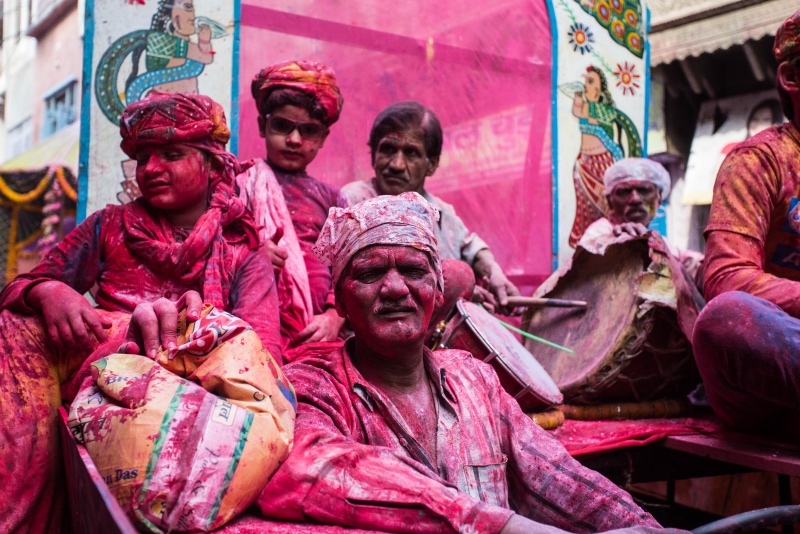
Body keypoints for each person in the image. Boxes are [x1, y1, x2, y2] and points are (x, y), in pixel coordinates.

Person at [256, 193, 664, 533]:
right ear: (341, 300)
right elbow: (306, 469)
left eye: (414, 270)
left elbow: (553, 475)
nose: (396, 288)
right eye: (371, 272)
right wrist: (498, 526)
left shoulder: (475, 379)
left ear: (436, 292)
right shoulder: (310, 386)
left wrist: (643, 525)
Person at [0, 92, 280, 532]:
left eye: (171, 154)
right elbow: (19, 289)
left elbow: (265, 358)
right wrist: (50, 291)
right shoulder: (108, 225)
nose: (150, 169)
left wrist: (197, 328)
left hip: (190, 391)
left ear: (212, 165)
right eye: (142, 157)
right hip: (100, 384)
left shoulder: (244, 250)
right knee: (15, 324)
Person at [693, 9, 800, 437]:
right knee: (727, 320)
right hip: (777, 360)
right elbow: (726, 279)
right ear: (792, 77)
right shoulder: (759, 161)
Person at [341, 101, 519, 315]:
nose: (396, 164)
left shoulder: (441, 212)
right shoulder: (354, 201)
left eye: (411, 153)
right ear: (373, 155)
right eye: (388, 149)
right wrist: (459, 289)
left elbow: (471, 248)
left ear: (432, 164)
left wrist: (494, 272)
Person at [236, 60, 347, 352]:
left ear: (322, 138)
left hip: (318, 332)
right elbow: (219, 250)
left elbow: (348, 267)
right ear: (263, 125)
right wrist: (251, 255)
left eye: (308, 131)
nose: (294, 140)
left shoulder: (331, 199)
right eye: (282, 126)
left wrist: (335, 317)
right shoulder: (240, 183)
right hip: (252, 323)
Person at [579, 157, 704, 288]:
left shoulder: (660, 240)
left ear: (659, 198)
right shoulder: (601, 231)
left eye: (644, 190)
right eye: (624, 192)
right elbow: (587, 258)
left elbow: (688, 262)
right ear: (610, 201)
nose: (635, 199)